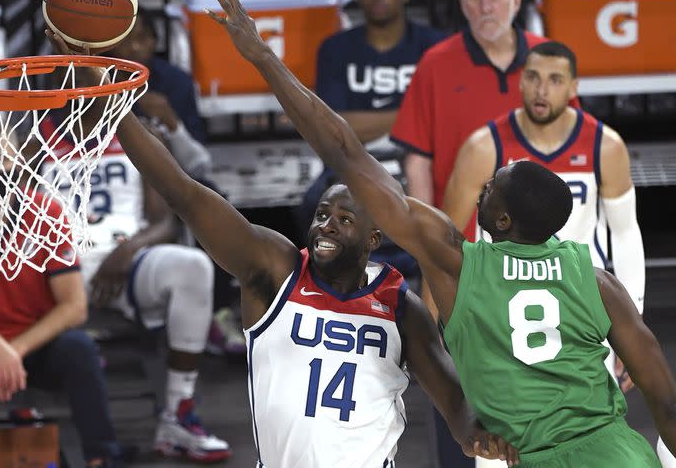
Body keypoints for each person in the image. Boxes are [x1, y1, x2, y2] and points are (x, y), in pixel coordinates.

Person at [203, 0, 676, 467]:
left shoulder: (460, 264)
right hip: (618, 451)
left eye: (492, 187)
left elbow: (345, 152)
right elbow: (663, 401)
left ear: (505, 221)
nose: (483, 186)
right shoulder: (597, 281)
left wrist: (261, 57)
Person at [47, 30, 520, 467]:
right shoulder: (274, 270)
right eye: (321, 215)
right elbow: (183, 192)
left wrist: (473, 433)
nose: (326, 227)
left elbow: (454, 401)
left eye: (345, 220)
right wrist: (107, 97)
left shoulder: (401, 308)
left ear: (375, 240)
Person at [442, 40, 667, 467]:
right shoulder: (483, 147)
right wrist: (450, 335)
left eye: (555, 79)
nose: (541, 89)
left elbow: (625, 235)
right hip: (497, 312)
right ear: (520, 80)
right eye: (533, 77)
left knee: (589, 426)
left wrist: (629, 322)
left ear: (573, 86)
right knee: (496, 445)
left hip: (580, 307)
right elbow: (454, 244)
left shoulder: (605, 144)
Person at [38, 54, 231, 462]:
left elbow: (165, 222)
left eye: (88, 77)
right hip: (57, 268)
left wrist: (127, 251)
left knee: (192, 266)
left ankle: (178, 414)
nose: (79, 87)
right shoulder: (34, 140)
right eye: (69, 78)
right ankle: (26, 418)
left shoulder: (138, 137)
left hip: (124, 262)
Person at [0, 126, 121, 468]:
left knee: (79, 347)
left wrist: (14, 350)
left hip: (37, 349)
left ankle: (101, 458)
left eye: (4, 160)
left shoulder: (49, 214)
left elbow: (74, 308)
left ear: (20, 162)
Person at [390, 0, 576, 242]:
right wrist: (428, 238)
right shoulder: (435, 63)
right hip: (464, 237)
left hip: (542, 237)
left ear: (516, 0)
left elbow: (574, 141)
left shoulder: (550, 58)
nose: (486, 8)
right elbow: (418, 162)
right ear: (463, 5)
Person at [108, 8, 246, 357]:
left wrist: (173, 124)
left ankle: (218, 306)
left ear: (154, 43)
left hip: (166, 185)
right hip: (115, 181)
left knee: (212, 200)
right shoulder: (97, 81)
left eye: (141, 38)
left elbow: (199, 164)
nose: (132, 47)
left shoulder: (175, 82)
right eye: (123, 38)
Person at [298, 0, 444, 278]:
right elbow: (332, 130)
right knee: (314, 203)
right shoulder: (335, 49)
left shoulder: (434, 47)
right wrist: (412, 113)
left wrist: (360, 123)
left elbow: (443, 122)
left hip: (416, 160)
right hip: (352, 163)